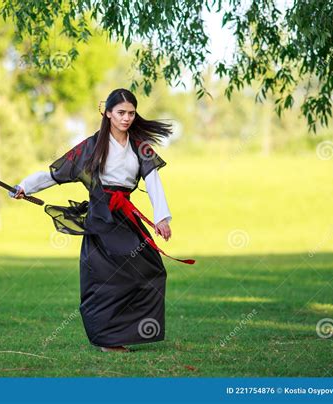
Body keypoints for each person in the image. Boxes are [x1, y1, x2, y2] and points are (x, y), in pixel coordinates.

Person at [11, 88, 195, 353]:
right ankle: (108, 340)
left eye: (131, 113)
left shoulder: (140, 146)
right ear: (107, 113)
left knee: (152, 270)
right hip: (100, 217)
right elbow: (55, 175)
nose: (126, 118)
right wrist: (24, 187)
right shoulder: (92, 145)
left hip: (126, 217)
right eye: (120, 112)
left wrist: (162, 218)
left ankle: (127, 332)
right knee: (103, 278)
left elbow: (153, 181)